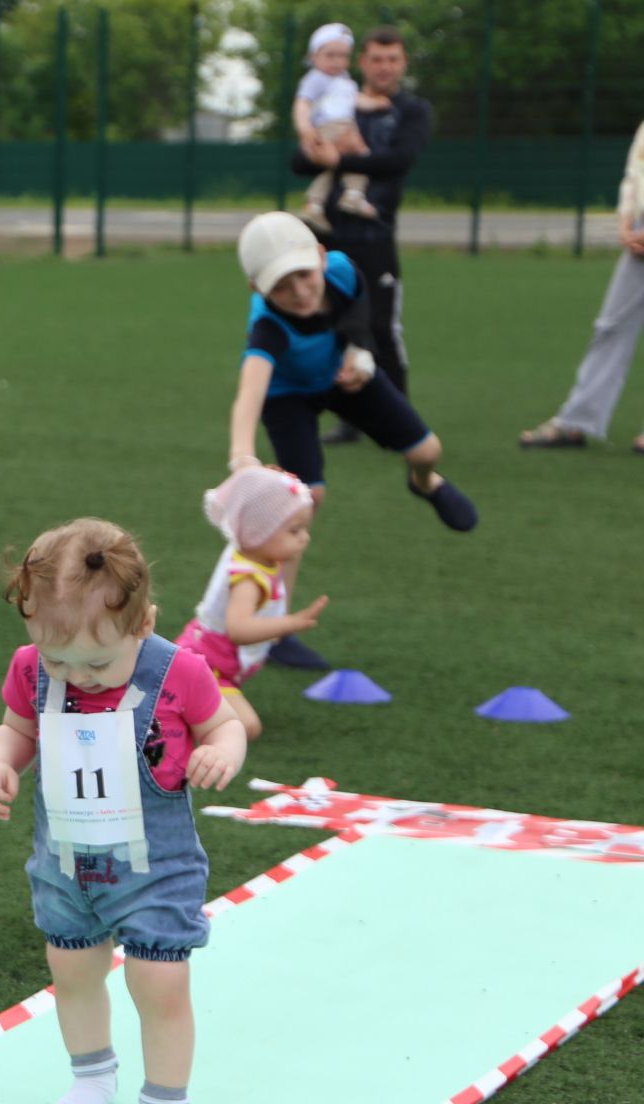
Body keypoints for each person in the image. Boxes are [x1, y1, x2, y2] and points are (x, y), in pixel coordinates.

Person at [0, 518, 246, 1104]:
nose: (77, 674)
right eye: (57, 657)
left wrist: (220, 752)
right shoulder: (31, 669)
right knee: (72, 971)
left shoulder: (179, 671)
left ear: (144, 622)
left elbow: (225, 725)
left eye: (97, 661)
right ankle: (92, 1076)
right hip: (67, 862)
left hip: (154, 868)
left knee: (160, 983)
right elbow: (17, 727)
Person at [228, 212, 475, 665]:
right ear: (257, 290)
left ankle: (424, 483)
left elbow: (360, 301)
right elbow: (251, 390)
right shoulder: (267, 326)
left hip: (346, 377)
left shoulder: (341, 269)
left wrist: (360, 349)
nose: (300, 293)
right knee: (304, 501)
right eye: (281, 286)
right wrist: (241, 456)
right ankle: (276, 629)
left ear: (321, 258)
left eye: (304, 275)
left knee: (428, 450)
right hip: (288, 399)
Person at [289, 24, 431, 448]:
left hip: (376, 235)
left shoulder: (410, 110)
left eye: (393, 59)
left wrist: (344, 157)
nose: (384, 67)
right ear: (362, 61)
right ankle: (351, 418)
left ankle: (401, 422)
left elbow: (400, 160)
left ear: (403, 63)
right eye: (376, 58)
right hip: (328, 236)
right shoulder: (337, 97)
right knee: (333, 326)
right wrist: (321, 152)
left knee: (382, 329)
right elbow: (299, 160)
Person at [173, 467, 329, 741]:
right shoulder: (247, 578)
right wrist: (289, 624)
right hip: (205, 669)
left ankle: (179, 706)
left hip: (216, 670)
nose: (305, 537)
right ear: (259, 532)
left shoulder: (258, 556)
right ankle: (171, 716)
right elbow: (239, 630)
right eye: (294, 530)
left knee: (237, 724)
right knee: (245, 728)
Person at [519, 117, 644, 454]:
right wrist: (625, 222)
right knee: (611, 327)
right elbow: (635, 175)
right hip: (640, 235)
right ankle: (577, 423)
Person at [293, 23, 379, 231]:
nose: (337, 61)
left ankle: (315, 204)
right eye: (330, 55)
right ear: (314, 56)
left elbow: (355, 100)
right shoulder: (315, 79)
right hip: (329, 127)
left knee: (334, 167)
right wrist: (305, 129)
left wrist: (376, 103)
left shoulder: (344, 80)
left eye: (343, 56)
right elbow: (302, 104)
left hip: (345, 127)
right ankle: (353, 194)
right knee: (361, 155)